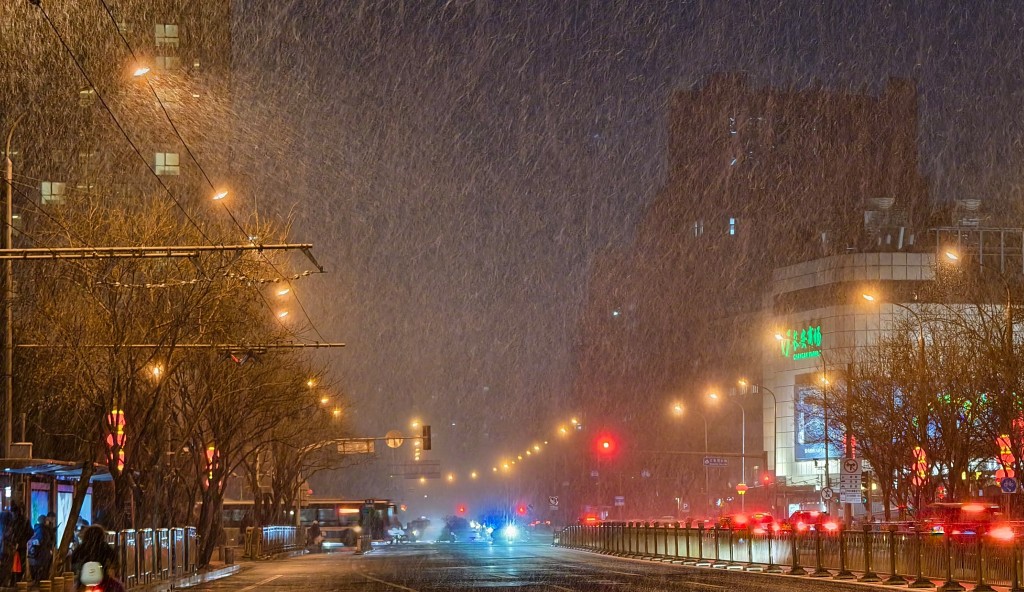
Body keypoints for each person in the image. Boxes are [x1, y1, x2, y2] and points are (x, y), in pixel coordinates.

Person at [70, 525, 123, 592]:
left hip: (84, 580)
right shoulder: (104, 546)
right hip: (102, 579)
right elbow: (114, 559)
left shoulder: (82, 547)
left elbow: (73, 560)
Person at [28, 513, 56, 585]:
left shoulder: (38, 529)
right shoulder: (43, 530)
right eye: (47, 520)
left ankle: (40, 583)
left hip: (39, 554)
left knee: (40, 571)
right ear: (44, 521)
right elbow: (44, 540)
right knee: (43, 572)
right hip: (43, 554)